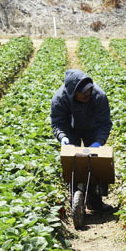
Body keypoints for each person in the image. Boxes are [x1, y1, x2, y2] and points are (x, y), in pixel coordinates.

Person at [51, 69, 113, 211]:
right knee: (73, 161)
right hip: (70, 129)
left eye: (89, 92)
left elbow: (104, 124)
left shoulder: (99, 96)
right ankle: (74, 196)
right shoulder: (60, 99)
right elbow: (57, 123)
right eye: (83, 94)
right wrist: (63, 137)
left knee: (95, 160)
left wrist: (98, 142)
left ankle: (95, 201)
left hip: (92, 128)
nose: (87, 95)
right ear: (73, 93)